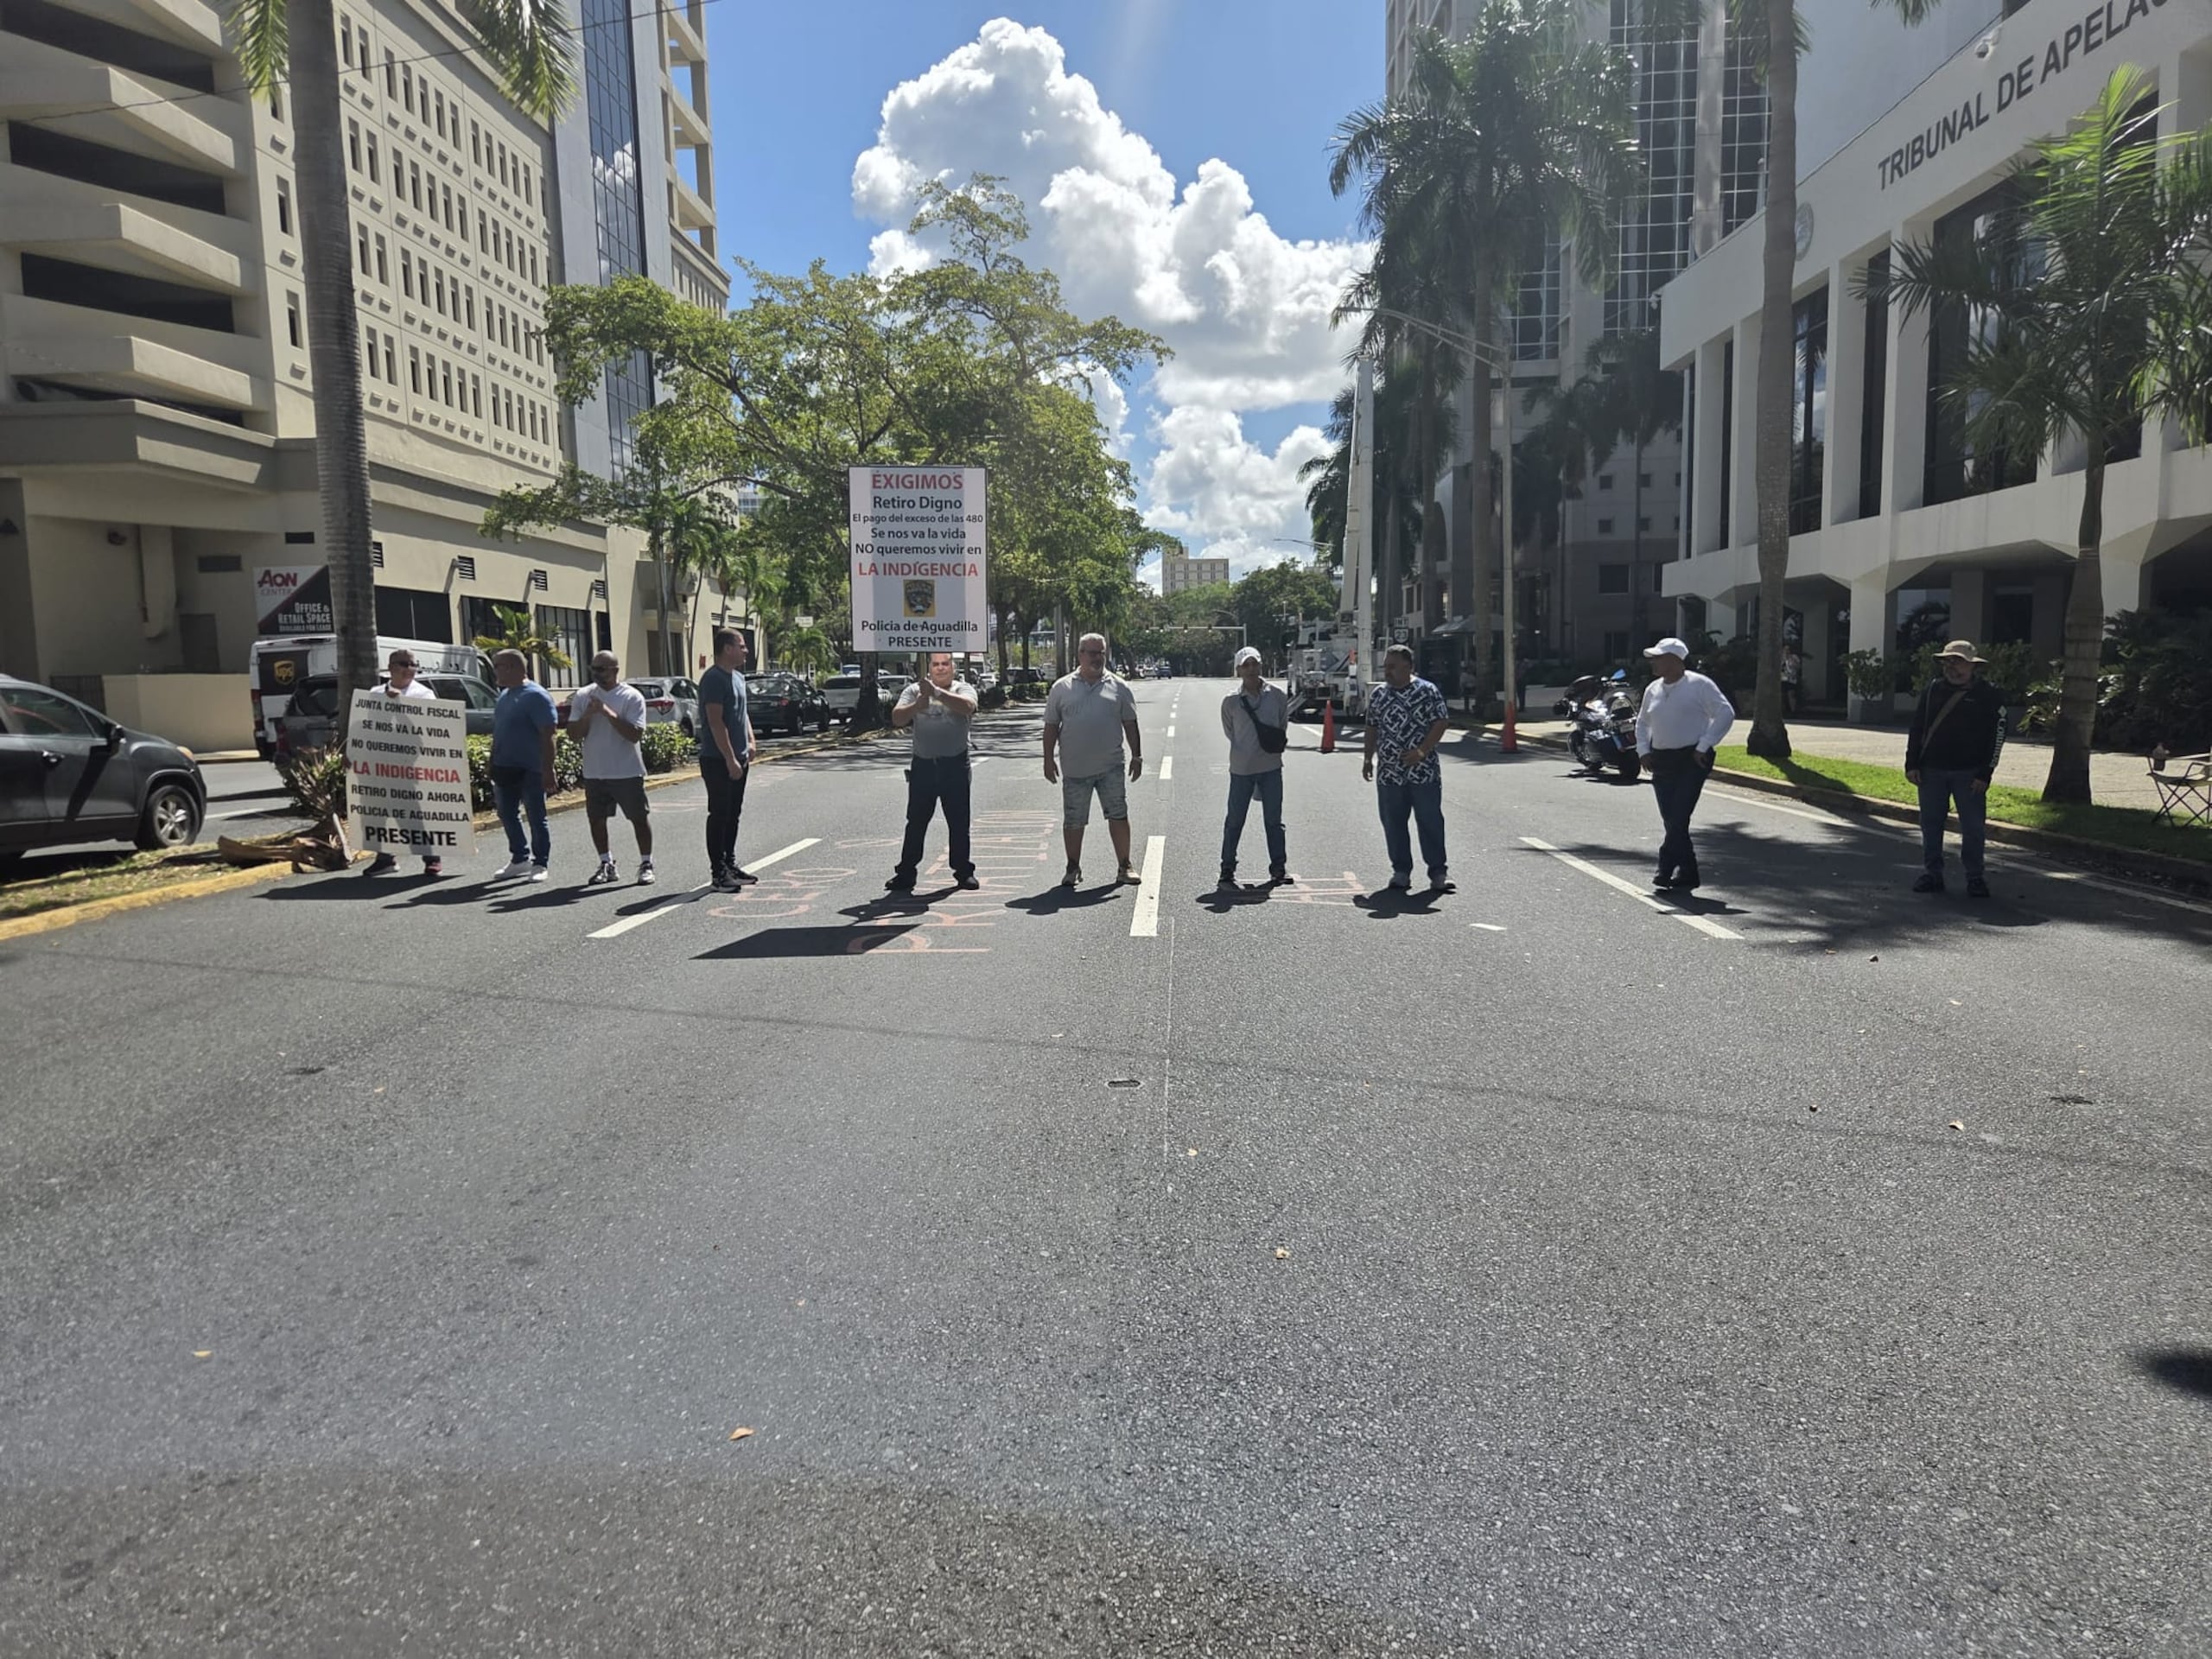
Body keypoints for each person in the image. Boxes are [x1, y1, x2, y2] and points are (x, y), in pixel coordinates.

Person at [1633, 636, 1735, 893]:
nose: (1653, 663)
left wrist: (1705, 744)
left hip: (1691, 759)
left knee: (1678, 816)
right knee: (1671, 818)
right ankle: (1688, 873)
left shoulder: (1699, 685)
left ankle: (1665, 867)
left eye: (1658, 658)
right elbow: (1643, 722)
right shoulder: (1653, 689)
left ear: (1675, 660)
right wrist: (1643, 750)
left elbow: (1725, 713)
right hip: (1661, 760)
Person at [1904, 639, 2005, 899]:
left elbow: (1997, 736)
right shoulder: (1932, 690)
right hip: (1931, 771)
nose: (1952, 667)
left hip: (1969, 774)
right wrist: (1912, 763)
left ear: (1972, 666)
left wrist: (1985, 773)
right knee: (1931, 825)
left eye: (1958, 662)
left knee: (1973, 828)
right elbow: (1918, 727)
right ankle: (1933, 874)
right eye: (1948, 661)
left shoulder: (1989, 695)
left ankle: (1975, 877)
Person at [1041, 632, 1142, 887]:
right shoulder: (1061, 688)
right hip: (1075, 769)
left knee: (1118, 815)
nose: (1097, 658)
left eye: (1101, 653)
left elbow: (1130, 723)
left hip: (1111, 766)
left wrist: (1137, 755)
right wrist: (1047, 759)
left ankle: (1125, 865)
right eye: (1093, 653)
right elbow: (1051, 726)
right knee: (1074, 821)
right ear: (1081, 655)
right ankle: (1072, 867)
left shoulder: (1119, 686)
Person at [1361, 643, 1451, 894]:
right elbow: (1371, 727)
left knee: (1430, 820)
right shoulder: (1379, 694)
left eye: (1392, 666)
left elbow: (1441, 722)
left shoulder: (1427, 691)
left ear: (1408, 667)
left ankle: (1438, 872)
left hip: (1423, 772)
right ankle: (1401, 871)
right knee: (1393, 822)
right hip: (1390, 774)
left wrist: (1422, 751)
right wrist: (1368, 758)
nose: (1387, 671)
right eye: (1385, 667)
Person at [887, 652, 980, 892]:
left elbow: (968, 707)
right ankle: (906, 873)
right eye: (936, 664)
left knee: (959, 822)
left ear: (953, 667)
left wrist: (937, 693)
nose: (941, 668)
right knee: (916, 822)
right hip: (924, 766)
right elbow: (897, 718)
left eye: (945, 664)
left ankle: (963, 871)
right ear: (929, 667)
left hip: (955, 765)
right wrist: (917, 705)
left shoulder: (962, 688)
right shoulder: (913, 691)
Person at [567, 651, 655, 887]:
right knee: (596, 819)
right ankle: (606, 863)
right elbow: (573, 734)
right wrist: (588, 714)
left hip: (626, 771)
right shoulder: (584, 696)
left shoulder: (631, 697)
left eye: (601, 669)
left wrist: (607, 712)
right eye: (593, 669)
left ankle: (646, 863)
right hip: (595, 772)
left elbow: (634, 734)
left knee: (638, 818)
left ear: (615, 670)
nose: (596, 674)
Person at [364, 647, 442, 878]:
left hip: (410, 764)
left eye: (413, 664)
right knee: (378, 813)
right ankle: (385, 859)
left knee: (413, 813)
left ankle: (431, 858)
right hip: (380, 764)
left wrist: (398, 703)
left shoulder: (423, 695)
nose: (410, 669)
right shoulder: (375, 693)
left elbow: (426, 729)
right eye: (404, 664)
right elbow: (367, 725)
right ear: (390, 667)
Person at [1218, 645, 1289, 889]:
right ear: (1238, 670)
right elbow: (1230, 732)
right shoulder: (1231, 701)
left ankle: (1278, 868)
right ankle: (1227, 868)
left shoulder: (1277, 696)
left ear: (1260, 665)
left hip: (1271, 766)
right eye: (1245, 665)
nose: (1251, 669)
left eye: (1254, 664)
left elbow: (1281, 725)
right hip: (1242, 769)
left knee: (1274, 821)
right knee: (1234, 820)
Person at [488, 647, 557, 881]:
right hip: (504, 767)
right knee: (506, 813)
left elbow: (549, 734)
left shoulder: (536, 696)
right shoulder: (504, 695)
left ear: (511, 667)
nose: (495, 671)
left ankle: (540, 863)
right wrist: (492, 760)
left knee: (536, 816)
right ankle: (519, 859)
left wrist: (548, 769)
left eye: (497, 666)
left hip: (531, 769)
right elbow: (499, 731)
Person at [698, 628, 755, 892]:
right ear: (728, 648)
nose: (746, 651)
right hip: (717, 759)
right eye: (741, 646)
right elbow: (715, 721)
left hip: (740, 758)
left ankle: (730, 864)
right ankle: (718, 872)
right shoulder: (713, 679)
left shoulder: (738, 678)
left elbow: (743, 714)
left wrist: (751, 741)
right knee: (719, 814)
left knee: (733, 814)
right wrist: (730, 758)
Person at [1781, 643, 1803, 716]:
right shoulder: (1781, 658)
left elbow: (1798, 667)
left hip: (1791, 678)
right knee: (1782, 694)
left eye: (1788, 649)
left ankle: (1793, 711)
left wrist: (1791, 661)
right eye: (1785, 649)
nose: (1786, 651)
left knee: (1791, 694)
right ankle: (1783, 710)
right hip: (1782, 678)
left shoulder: (1794, 657)